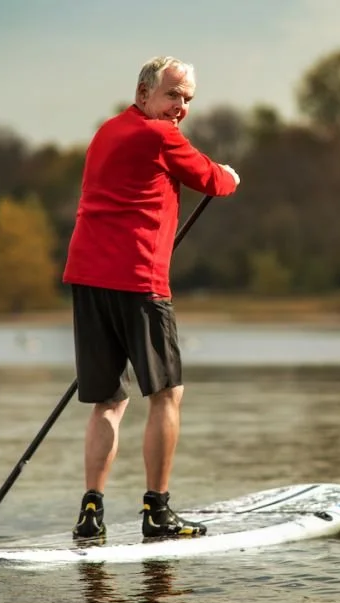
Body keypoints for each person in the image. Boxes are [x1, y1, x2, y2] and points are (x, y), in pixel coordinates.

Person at [61, 56, 240, 542]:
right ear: (143, 94)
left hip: (87, 277)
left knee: (107, 400)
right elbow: (214, 181)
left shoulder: (105, 132)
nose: (180, 107)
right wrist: (228, 173)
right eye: (172, 95)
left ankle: (91, 513)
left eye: (187, 99)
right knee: (166, 394)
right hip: (138, 279)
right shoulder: (160, 136)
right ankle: (157, 512)